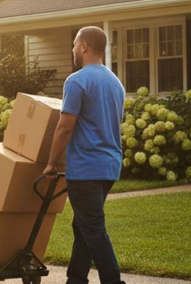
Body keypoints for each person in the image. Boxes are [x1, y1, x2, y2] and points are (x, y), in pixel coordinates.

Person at [43, 27, 126, 284]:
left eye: (75, 44)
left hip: (86, 167)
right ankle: (76, 279)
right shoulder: (116, 83)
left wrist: (50, 163)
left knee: (92, 228)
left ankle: (113, 281)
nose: (73, 50)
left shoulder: (77, 81)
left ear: (85, 47)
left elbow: (65, 126)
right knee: (83, 226)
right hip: (109, 166)